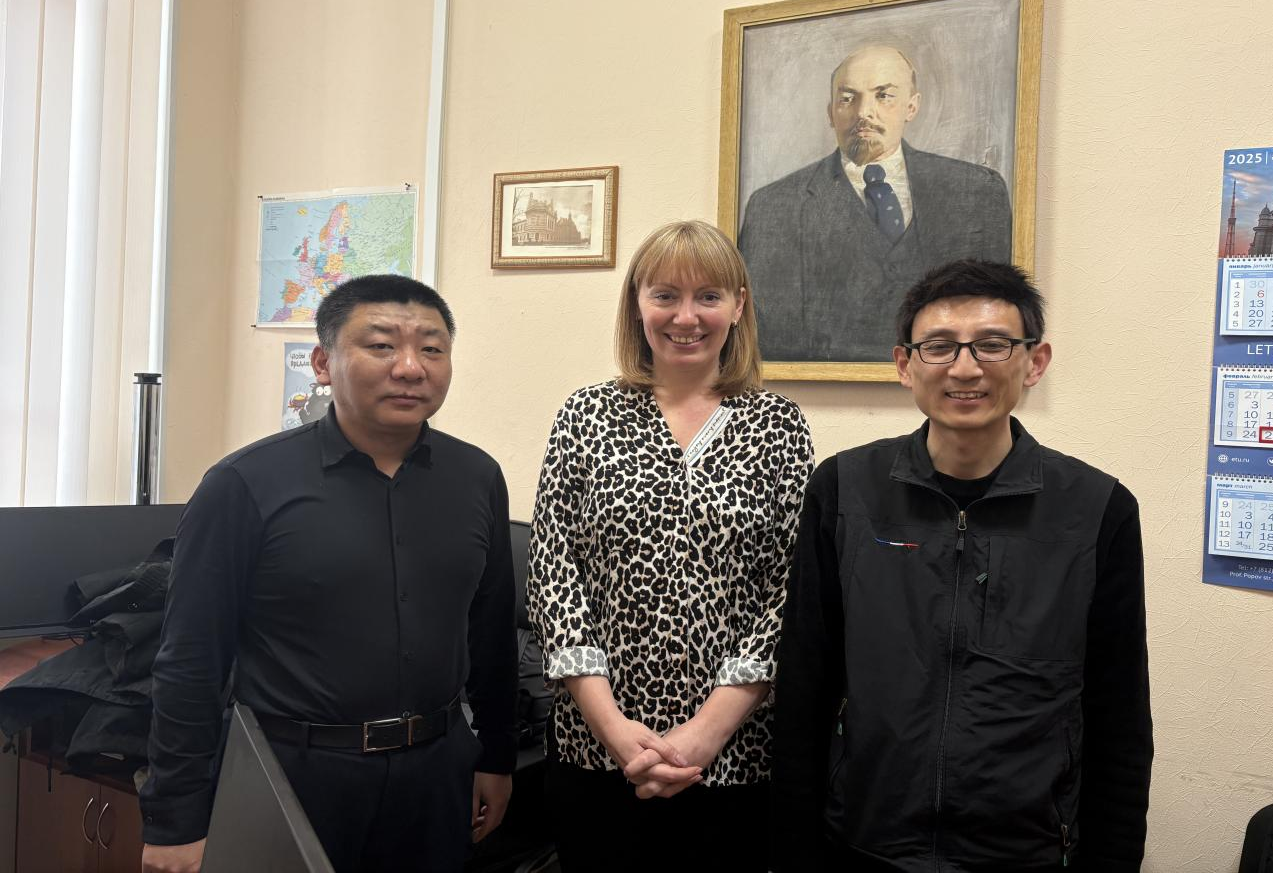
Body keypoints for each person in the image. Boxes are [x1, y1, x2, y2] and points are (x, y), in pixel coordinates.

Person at [770, 260, 1152, 871]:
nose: (965, 368)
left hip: (1026, 851)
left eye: (993, 345)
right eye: (940, 346)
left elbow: (1120, 714)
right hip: (864, 842)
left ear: (1035, 361)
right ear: (905, 364)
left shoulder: (1098, 509)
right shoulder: (844, 491)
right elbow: (804, 688)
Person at [140, 275, 516, 873]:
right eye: (381, 345)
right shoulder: (244, 485)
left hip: (436, 776)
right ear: (322, 363)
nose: (410, 368)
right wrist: (175, 820)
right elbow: (190, 659)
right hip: (293, 776)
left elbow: (490, 633)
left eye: (432, 348)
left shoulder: (477, 478)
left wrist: (496, 757)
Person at [526, 220, 814, 872]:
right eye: (665, 295)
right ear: (638, 304)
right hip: (596, 753)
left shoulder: (779, 426)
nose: (686, 317)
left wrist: (705, 733)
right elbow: (553, 574)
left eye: (708, 296)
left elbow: (790, 591)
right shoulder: (585, 415)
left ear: (738, 305)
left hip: (734, 759)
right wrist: (613, 729)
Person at [738, 44, 1012, 363]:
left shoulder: (977, 191)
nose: (863, 113)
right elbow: (765, 338)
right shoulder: (774, 205)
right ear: (831, 112)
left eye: (884, 95)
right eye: (847, 98)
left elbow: (1000, 320)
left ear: (911, 107)